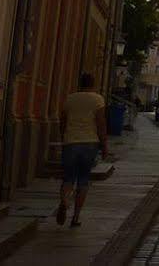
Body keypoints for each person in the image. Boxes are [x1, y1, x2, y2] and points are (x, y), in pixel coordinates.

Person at [57, 73, 109, 227]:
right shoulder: (97, 99)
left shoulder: (70, 99)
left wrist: (64, 138)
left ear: (79, 84)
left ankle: (65, 202)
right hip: (90, 143)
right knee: (83, 179)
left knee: (68, 178)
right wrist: (104, 144)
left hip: (71, 142)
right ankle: (76, 217)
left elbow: (63, 121)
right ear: (93, 84)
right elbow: (101, 124)